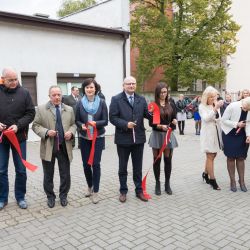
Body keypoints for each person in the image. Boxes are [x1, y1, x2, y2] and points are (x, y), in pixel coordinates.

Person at [109, 76, 152, 203]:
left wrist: (154, 113)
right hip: (123, 139)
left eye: (133, 83)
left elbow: (147, 114)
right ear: (124, 85)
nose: (131, 86)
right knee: (123, 167)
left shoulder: (141, 99)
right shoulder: (116, 99)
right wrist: (125, 124)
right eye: (129, 84)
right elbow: (112, 117)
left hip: (138, 139)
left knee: (137, 167)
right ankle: (123, 191)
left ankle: (139, 191)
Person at [32, 86, 76, 208]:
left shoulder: (69, 109)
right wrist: (46, 132)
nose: (57, 97)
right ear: (49, 96)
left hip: (64, 147)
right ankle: (50, 197)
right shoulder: (41, 109)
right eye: (54, 95)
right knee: (48, 174)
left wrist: (71, 132)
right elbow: (35, 125)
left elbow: (73, 124)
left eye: (59, 95)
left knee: (65, 174)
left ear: (62, 95)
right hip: (48, 147)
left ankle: (63, 196)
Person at [0, 68, 35, 210]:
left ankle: (20, 197)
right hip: (1, 139)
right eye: (10, 80)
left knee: (21, 169)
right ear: (3, 79)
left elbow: (31, 113)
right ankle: (2, 198)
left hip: (19, 137)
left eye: (16, 79)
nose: (14, 82)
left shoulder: (25, 93)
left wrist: (18, 125)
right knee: (1, 170)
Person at [75, 78, 108, 204]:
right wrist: (81, 125)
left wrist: (96, 123)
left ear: (96, 89)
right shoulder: (79, 103)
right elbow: (76, 120)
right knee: (86, 164)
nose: (89, 89)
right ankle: (89, 186)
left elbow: (105, 121)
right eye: (87, 87)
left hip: (98, 137)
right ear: (84, 89)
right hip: (84, 138)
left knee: (96, 164)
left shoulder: (102, 103)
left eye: (92, 87)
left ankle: (96, 192)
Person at [148, 82, 178, 195]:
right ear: (157, 93)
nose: (163, 94)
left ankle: (167, 184)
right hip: (157, 135)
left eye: (165, 92)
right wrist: (161, 126)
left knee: (168, 160)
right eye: (161, 92)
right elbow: (152, 123)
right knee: (157, 160)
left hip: (169, 135)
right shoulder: (153, 105)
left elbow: (174, 119)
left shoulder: (171, 104)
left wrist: (174, 122)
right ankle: (157, 183)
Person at [221, 97, 250, 192]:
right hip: (229, 134)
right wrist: (237, 124)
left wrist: (249, 135)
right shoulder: (232, 106)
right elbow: (224, 120)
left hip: (242, 134)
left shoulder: (249, 108)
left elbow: (249, 123)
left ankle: (242, 181)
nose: (246, 110)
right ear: (243, 103)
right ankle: (232, 181)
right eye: (246, 108)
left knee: (241, 157)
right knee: (231, 157)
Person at [199, 86, 224, 190]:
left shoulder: (215, 105)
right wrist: (215, 108)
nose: (214, 99)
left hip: (215, 133)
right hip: (208, 134)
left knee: (213, 155)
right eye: (212, 97)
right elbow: (206, 118)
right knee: (210, 155)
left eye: (215, 96)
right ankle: (212, 180)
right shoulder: (202, 106)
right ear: (206, 97)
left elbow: (219, 119)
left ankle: (205, 173)